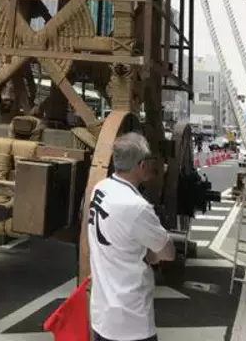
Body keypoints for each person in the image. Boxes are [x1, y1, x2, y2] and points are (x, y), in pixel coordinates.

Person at [88, 132, 175, 341]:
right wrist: (151, 255)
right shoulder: (137, 208)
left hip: (102, 313)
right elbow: (168, 252)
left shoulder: (100, 189)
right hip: (130, 320)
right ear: (142, 165)